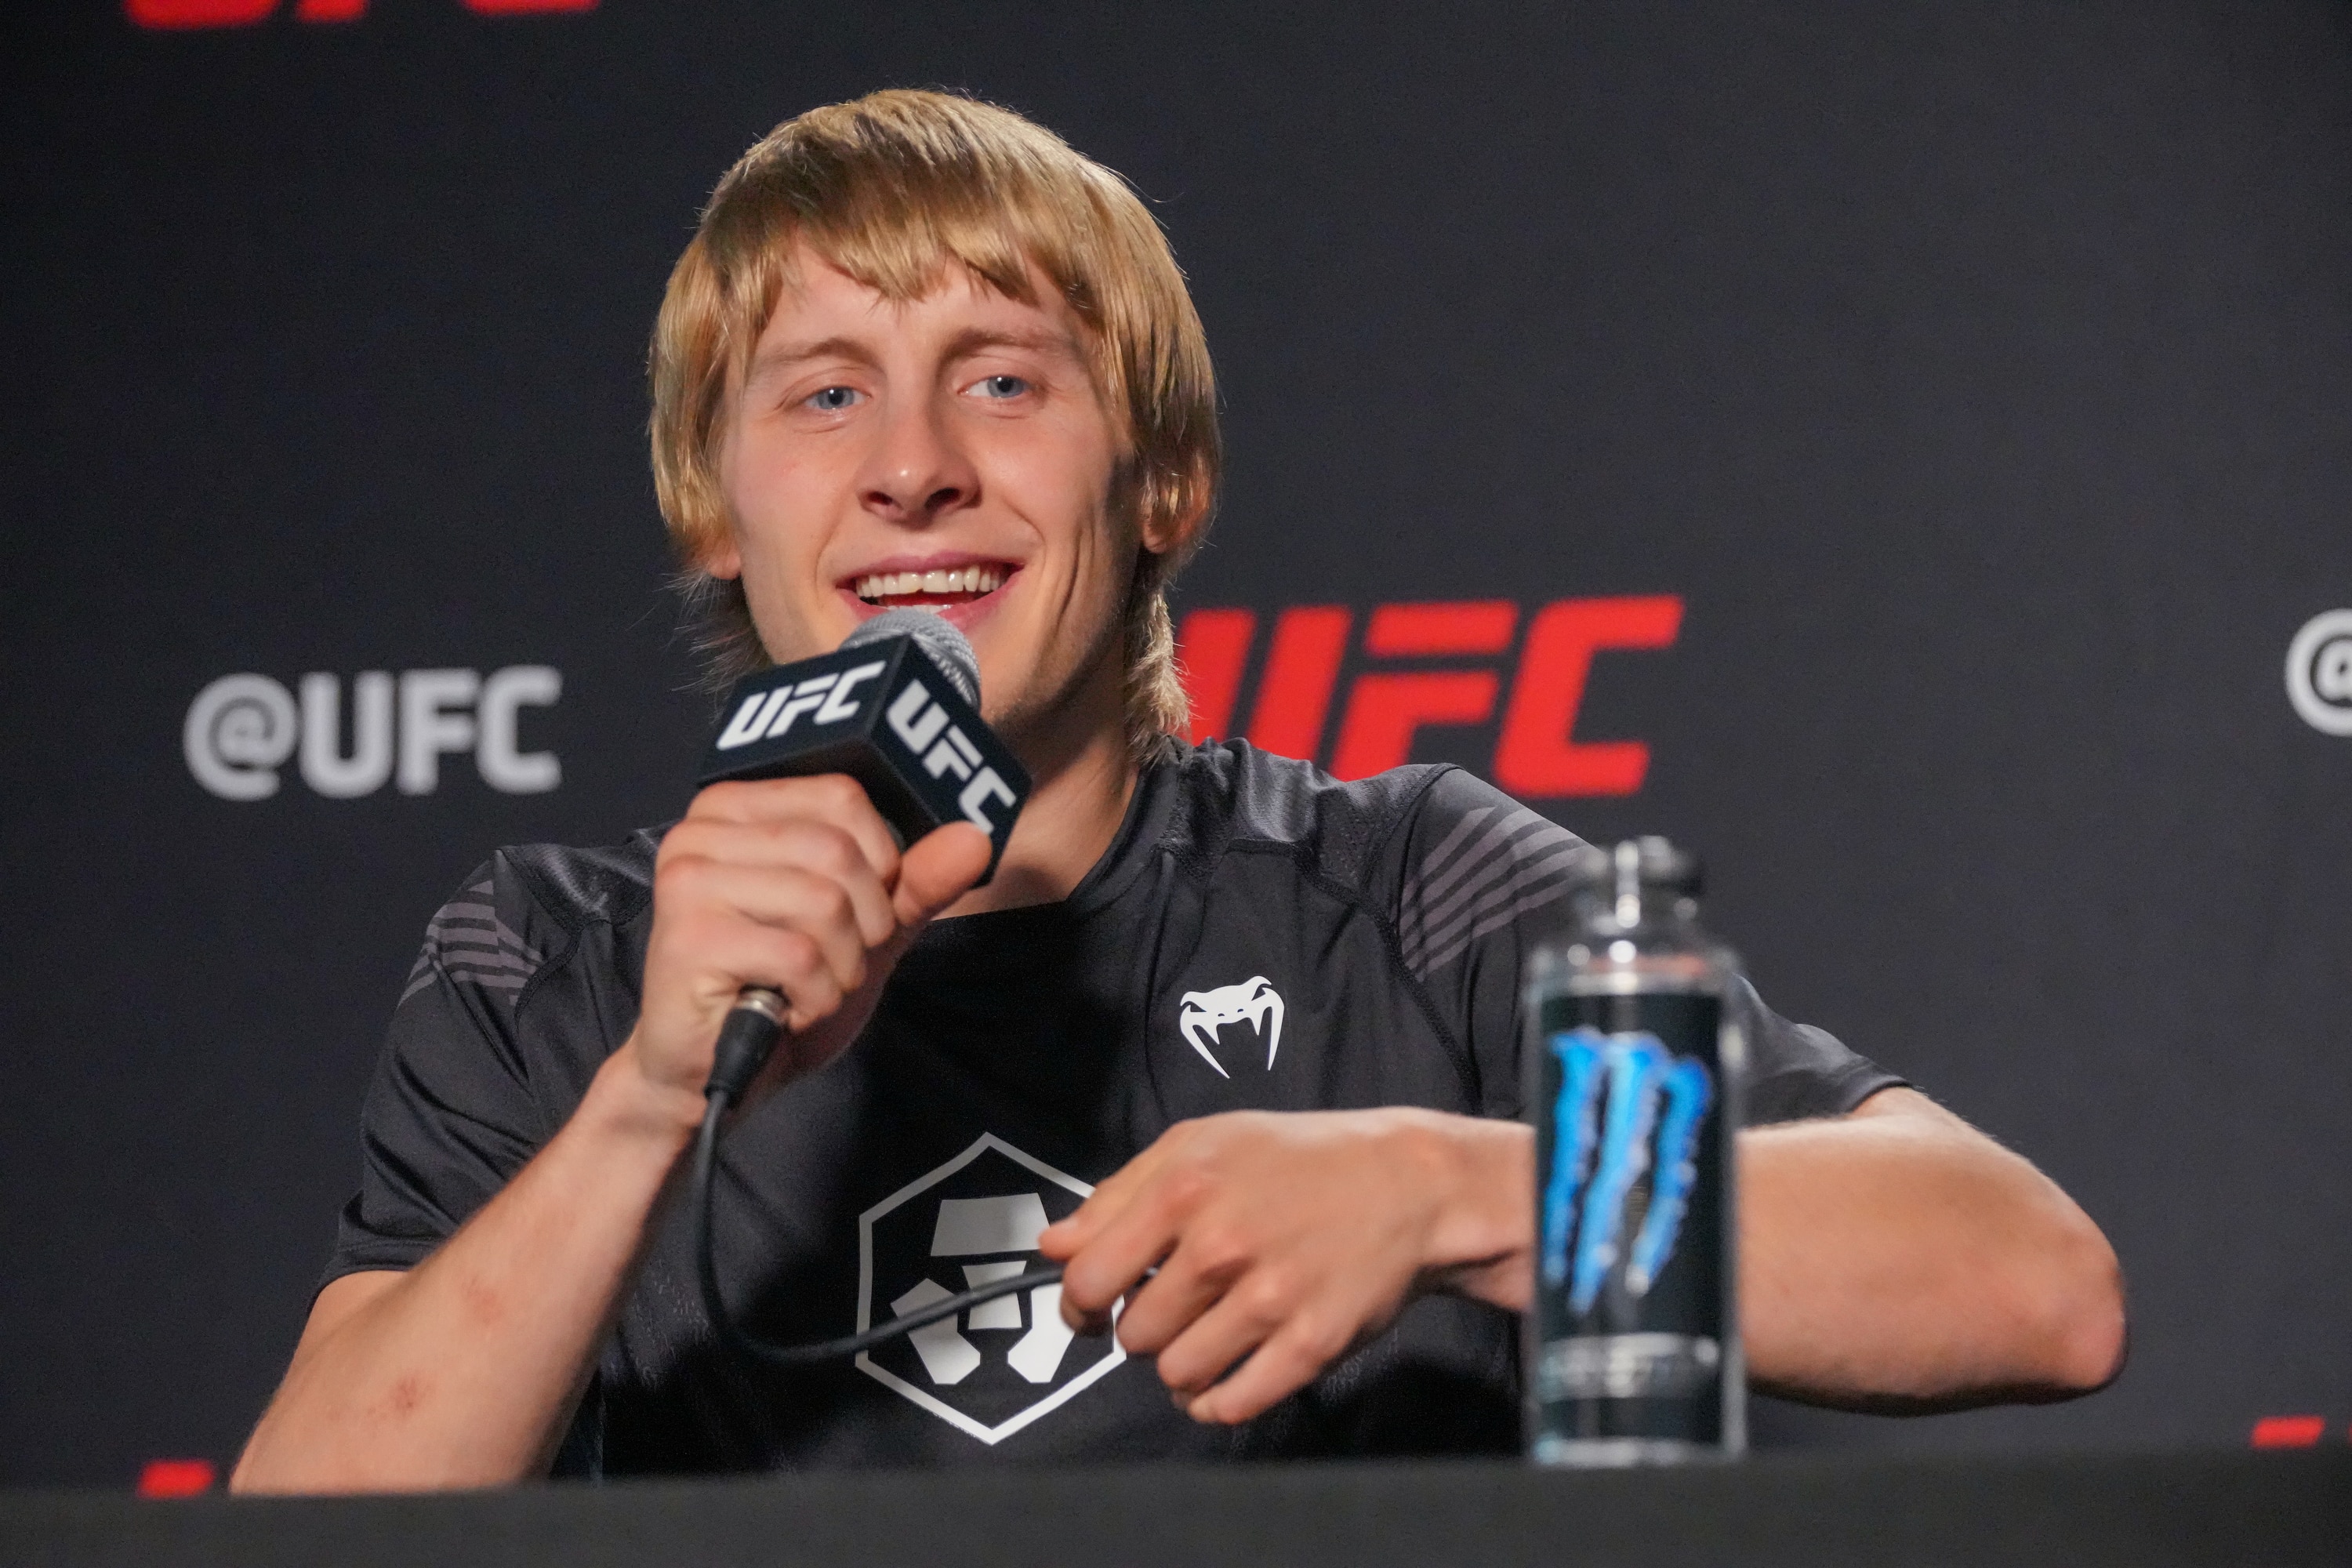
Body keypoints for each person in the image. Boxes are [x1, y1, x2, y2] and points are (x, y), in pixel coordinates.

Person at [230, 90, 2125, 1491]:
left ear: (1164, 487)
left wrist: (1448, 1186)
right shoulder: (556, 956)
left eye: (1000, 381)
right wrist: (650, 1097)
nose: (909, 471)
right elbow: (304, 1520)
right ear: (715, 514)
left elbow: (2032, 1285)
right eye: (823, 395)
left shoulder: (1412, 893)